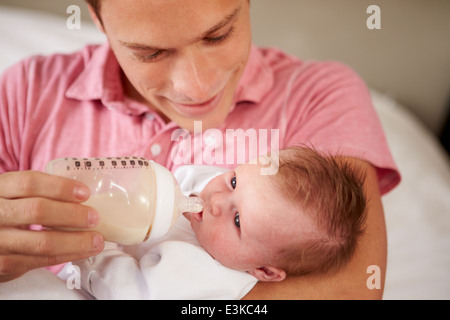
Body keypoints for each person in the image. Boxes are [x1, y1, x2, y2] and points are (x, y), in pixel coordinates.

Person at [0, 0, 400, 299]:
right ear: (96, 16)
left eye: (217, 34)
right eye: (150, 52)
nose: (196, 88)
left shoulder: (318, 94)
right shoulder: (26, 93)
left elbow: (352, 290)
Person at [71, 147, 367, 299]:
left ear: (263, 270)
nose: (214, 201)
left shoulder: (207, 280)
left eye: (237, 219)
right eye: (235, 180)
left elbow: (127, 291)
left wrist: (93, 245)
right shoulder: (211, 191)